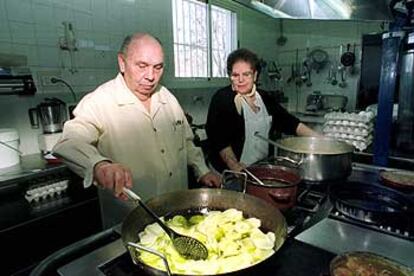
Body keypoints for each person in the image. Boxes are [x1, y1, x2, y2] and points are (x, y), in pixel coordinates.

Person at [53, 33, 221, 228]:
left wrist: (202, 170)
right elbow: (68, 143)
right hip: (131, 221)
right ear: (122, 63)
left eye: (157, 67)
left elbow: (186, 141)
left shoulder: (166, 96)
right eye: (142, 66)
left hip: (177, 214)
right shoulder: (100, 101)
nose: (150, 77)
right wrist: (99, 165)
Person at [206, 48, 320, 173]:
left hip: (259, 168)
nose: (241, 80)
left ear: (255, 75)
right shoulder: (222, 99)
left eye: (246, 74)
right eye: (235, 75)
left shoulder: (264, 98)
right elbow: (219, 140)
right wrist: (234, 166)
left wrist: (320, 139)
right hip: (231, 171)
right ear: (230, 76)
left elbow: (289, 122)